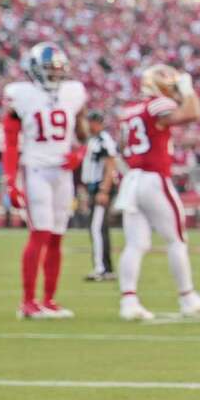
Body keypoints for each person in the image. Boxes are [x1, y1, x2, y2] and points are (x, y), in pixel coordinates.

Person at [114, 64, 200, 321]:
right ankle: (187, 297)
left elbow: (132, 143)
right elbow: (192, 113)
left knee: (135, 244)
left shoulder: (130, 110)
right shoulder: (155, 105)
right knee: (176, 239)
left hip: (132, 179)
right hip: (153, 179)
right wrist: (188, 90)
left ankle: (128, 301)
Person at [1, 42, 89, 319]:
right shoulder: (21, 95)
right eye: (48, 69)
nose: (53, 75)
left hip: (62, 171)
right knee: (39, 233)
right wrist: (10, 181)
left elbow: (85, 134)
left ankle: (49, 300)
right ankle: (28, 302)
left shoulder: (73, 92)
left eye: (57, 70)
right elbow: (11, 142)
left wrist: (80, 154)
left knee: (57, 236)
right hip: (36, 169)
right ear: (35, 70)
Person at [80, 110, 119, 281]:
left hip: (100, 188)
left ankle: (101, 268)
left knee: (96, 228)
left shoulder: (103, 141)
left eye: (91, 122)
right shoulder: (94, 140)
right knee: (100, 228)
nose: (89, 125)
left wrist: (104, 190)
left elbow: (110, 165)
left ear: (97, 123)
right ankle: (106, 267)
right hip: (94, 187)